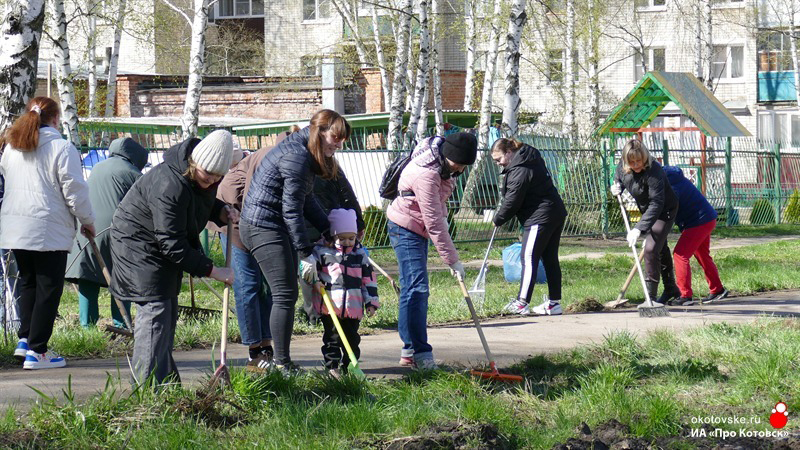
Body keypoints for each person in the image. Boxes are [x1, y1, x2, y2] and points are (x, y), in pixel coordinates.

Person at [110, 129, 235, 386]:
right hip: (138, 248)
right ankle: (145, 393)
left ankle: (165, 385)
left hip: (160, 246)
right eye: (207, 174)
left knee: (166, 314)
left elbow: (200, 201)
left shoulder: (201, 178)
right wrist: (212, 270)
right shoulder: (169, 184)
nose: (211, 181)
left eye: (217, 177)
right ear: (193, 163)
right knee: (155, 313)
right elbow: (172, 244)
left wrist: (221, 211)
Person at [240, 109, 350, 373]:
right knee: (285, 293)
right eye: (335, 137)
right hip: (262, 226)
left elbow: (306, 200)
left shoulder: (304, 153)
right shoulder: (297, 157)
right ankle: (281, 364)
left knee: (285, 293)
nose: (338, 144)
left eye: (342, 139)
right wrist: (305, 251)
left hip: (273, 225)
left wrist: (328, 228)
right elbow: (291, 209)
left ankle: (281, 361)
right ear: (319, 132)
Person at [0, 97, 95, 369]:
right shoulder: (62, 148)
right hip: (46, 227)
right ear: (55, 119)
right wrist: (87, 220)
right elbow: (74, 191)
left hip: (15, 226)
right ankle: (38, 351)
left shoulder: (13, 147)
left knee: (29, 282)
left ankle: (26, 339)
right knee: (49, 288)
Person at [386, 132, 477, 370]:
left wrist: (444, 218)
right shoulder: (427, 172)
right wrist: (452, 260)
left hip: (418, 225)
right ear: (448, 155)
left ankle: (409, 351)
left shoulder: (446, 167)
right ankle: (421, 353)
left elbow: (438, 207)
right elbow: (433, 219)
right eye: (459, 163)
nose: (461, 169)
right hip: (405, 227)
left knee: (411, 288)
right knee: (417, 288)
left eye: (465, 165)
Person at [209, 131, 293, 373]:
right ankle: (254, 352)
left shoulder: (286, 161)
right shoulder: (268, 159)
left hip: (260, 224)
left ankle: (267, 347)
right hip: (233, 221)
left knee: (266, 285)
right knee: (247, 284)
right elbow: (254, 201)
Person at [66, 138, 148, 329]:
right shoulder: (133, 173)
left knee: (87, 278)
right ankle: (121, 324)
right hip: (117, 232)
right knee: (121, 277)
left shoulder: (97, 168)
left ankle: (87, 328)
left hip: (87, 229)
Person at [491, 138, 568, 316]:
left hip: (539, 217)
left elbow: (512, 200)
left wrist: (499, 218)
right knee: (549, 258)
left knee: (528, 257)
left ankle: (521, 302)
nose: (498, 163)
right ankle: (554, 303)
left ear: (509, 152)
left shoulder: (520, 169)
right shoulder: (529, 158)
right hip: (554, 212)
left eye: (499, 159)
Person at [303, 208, 379, 379]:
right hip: (330, 307)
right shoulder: (322, 252)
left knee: (352, 340)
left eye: (351, 238)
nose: (347, 242)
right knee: (332, 339)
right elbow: (307, 270)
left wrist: (371, 302)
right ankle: (332, 368)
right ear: (332, 236)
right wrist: (314, 280)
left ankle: (350, 367)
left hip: (353, 307)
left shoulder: (360, 256)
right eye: (341, 238)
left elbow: (369, 280)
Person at [610, 139, 679, 306]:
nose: (635, 165)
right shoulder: (623, 166)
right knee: (660, 248)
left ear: (645, 157)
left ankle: (650, 298)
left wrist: (638, 228)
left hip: (664, 211)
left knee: (650, 249)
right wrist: (616, 186)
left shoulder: (654, 171)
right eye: (631, 162)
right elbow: (618, 177)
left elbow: (657, 203)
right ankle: (671, 289)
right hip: (647, 210)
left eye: (638, 161)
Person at [664, 166, 728, 305]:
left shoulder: (669, 184)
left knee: (680, 254)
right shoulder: (671, 177)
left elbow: (667, 207)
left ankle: (685, 295)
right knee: (702, 255)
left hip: (698, 221)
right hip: (706, 218)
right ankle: (717, 289)